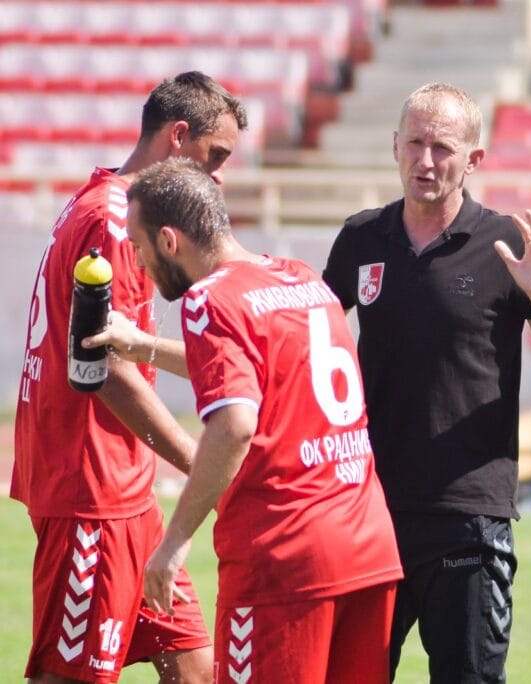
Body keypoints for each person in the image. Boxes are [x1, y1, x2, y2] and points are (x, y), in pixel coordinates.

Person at [321, 82, 531, 682]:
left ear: (474, 159)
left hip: (469, 516)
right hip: (371, 511)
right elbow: (311, 344)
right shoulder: (361, 239)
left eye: (442, 147)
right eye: (414, 143)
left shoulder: (506, 242)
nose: (425, 161)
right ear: (395, 146)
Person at [119, 157, 404, 683]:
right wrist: (143, 348)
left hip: (284, 560)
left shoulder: (209, 298)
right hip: (367, 546)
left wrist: (176, 539)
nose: (137, 263)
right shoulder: (301, 279)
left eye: (138, 247)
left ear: (167, 239)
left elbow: (235, 421)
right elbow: (254, 366)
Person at [13, 71, 247, 684]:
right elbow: (106, 369)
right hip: (91, 488)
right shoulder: (116, 222)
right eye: (214, 155)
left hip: (126, 493)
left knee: (197, 670)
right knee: (69, 678)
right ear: (177, 137)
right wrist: (204, 465)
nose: (217, 175)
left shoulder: (106, 202)